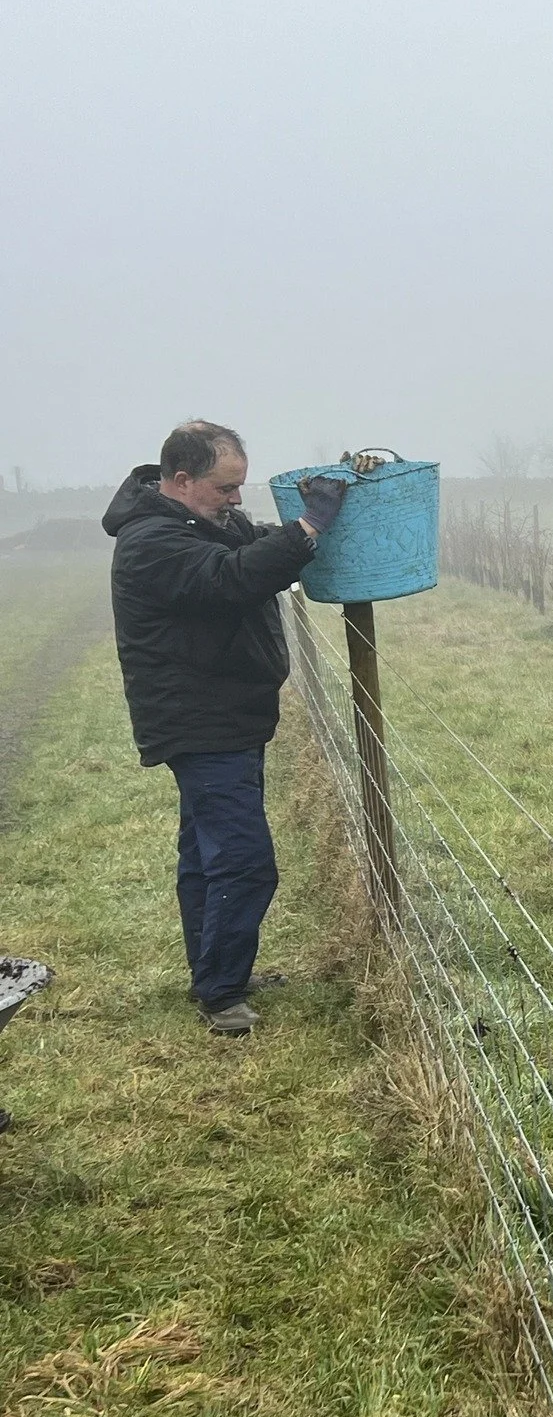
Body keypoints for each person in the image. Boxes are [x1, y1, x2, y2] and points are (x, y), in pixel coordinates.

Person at [103, 421, 349, 1035]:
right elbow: (230, 578)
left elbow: (254, 549)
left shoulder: (203, 522)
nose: (236, 500)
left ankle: (216, 973)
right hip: (200, 722)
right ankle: (222, 995)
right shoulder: (151, 541)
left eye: (240, 486)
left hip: (225, 716)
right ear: (182, 479)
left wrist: (297, 531)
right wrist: (308, 527)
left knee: (205, 855)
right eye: (225, 488)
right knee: (242, 862)